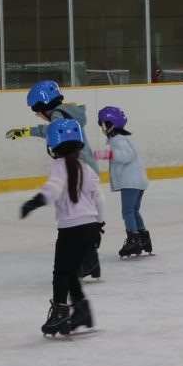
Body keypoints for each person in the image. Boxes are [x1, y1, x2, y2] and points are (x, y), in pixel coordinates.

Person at [21, 118, 105, 337]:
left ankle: (60, 312)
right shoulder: (86, 167)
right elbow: (99, 197)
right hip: (89, 227)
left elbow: (53, 188)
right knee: (71, 272)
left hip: (71, 229)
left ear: (53, 146)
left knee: (61, 272)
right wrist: (99, 224)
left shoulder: (59, 167)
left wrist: (35, 202)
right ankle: (82, 310)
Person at [7, 80, 100, 277]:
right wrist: (28, 131)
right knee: (86, 216)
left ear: (44, 106)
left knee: (78, 217)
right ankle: (91, 261)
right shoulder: (67, 112)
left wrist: (27, 132)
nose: (39, 116)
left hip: (76, 169)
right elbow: (50, 129)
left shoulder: (57, 116)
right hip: (87, 169)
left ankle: (89, 261)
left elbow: (50, 131)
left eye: (37, 112)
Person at [94, 106, 152, 258]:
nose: (102, 129)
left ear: (110, 125)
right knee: (134, 210)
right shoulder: (125, 138)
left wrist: (106, 154)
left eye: (102, 125)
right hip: (138, 181)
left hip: (130, 181)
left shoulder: (117, 140)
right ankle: (143, 238)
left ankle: (134, 239)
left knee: (127, 212)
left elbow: (127, 155)